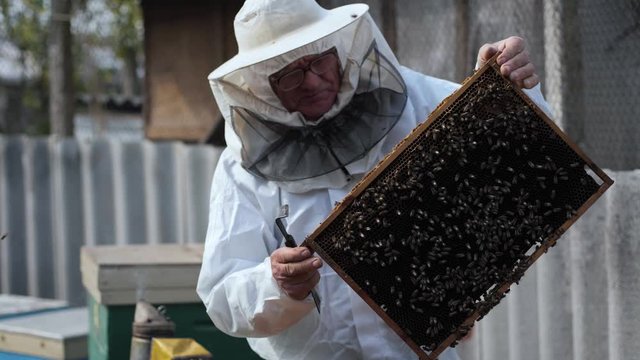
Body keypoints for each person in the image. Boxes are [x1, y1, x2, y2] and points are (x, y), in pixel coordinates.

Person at [197, 1, 549, 359]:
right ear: (261, 85)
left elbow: (524, 156)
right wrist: (273, 284)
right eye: (288, 75)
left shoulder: (416, 99)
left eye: (319, 60)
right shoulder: (241, 167)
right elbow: (223, 298)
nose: (312, 81)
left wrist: (504, 87)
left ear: (339, 49)